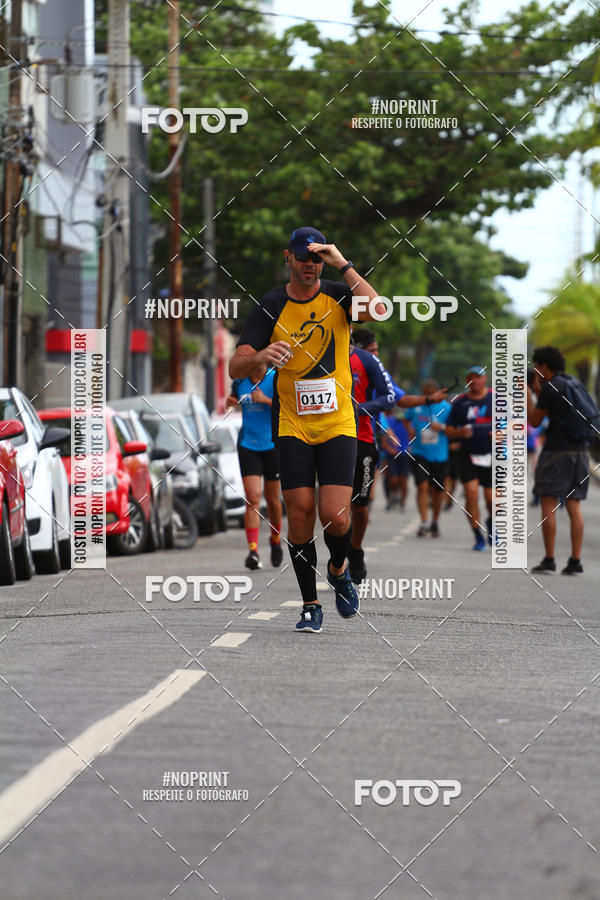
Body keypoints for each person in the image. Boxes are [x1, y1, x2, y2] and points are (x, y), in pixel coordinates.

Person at [229, 226, 388, 633]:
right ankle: (310, 604)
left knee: (334, 515)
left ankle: (338, 568)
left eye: (317, 258)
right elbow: (236, 366)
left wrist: (343, 263)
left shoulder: (338, 294)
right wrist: (261, 355)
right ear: (289, 258)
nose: (310, 265)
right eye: (303, 257)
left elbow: (379, 309)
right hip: (292, 424)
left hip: (337, 422)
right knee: (299, 514)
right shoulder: (271, 305)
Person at [527, 346, 597, 575]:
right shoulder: (572, 383)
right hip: (580, 452)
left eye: (537, 366)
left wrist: (526, 395)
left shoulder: (550, 387)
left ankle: (549, 559)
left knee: (548, 504)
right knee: (574, 506)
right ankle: (575, 561)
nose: (536, 370)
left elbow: (535, 421)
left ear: (545, 366)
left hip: (556, 452)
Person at [226, 362, 282, 570]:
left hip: (273, 445)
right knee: (252, 498)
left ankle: (275, 540)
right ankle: (253, 551)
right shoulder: (240, 381)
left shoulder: (275, 377)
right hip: (248, 445)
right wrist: (232, 402)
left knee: (273, 499)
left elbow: (286, 405)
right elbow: (235, 399)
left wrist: (265, 400)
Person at [347, 342, 396, 582]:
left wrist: (360, 408)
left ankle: (355, 550)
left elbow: (390, 397)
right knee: (333, 508)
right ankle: (338, 560)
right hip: (326, 440)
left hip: (362, 440)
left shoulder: (366, 360)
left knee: (359, 506)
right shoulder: (314, 354)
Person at [446, 366, 493, 551]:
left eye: (479, 377)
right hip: (467, 454)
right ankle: (477, 535)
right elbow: (448, 430)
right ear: (467, 381)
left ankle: (492, 523)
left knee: (492, 500)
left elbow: (514, 424)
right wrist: (459, 432)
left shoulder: (497, 399)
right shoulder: (460, 403)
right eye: (471, 378)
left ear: (485, 379)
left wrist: (502, 432)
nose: (475, 381)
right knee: (472, 495)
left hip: (492, 454)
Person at [404, 379, 452, 537]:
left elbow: (454, 428)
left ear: (438, 394)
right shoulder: (417, 406)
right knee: (422, 486)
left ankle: (435, 521)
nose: (427, 396)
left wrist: (443, 428)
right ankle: (424, 522)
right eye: (425, 393)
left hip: (440, 455)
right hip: (419, 453)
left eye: (430, 393)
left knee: (437, 492)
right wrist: (409, 429)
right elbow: (405, 417)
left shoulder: (446, 408)